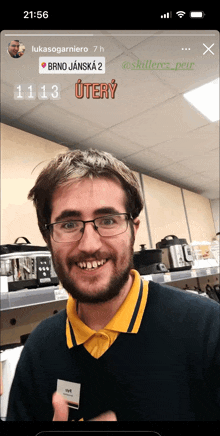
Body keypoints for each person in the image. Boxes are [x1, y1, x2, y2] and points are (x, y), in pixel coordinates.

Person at [6, 149, 220, 421]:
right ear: (48, 237)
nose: (89, 245)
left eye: (108, 220)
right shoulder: (39, 349)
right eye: (69, 224)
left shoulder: (208, 330)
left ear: (134, 228)